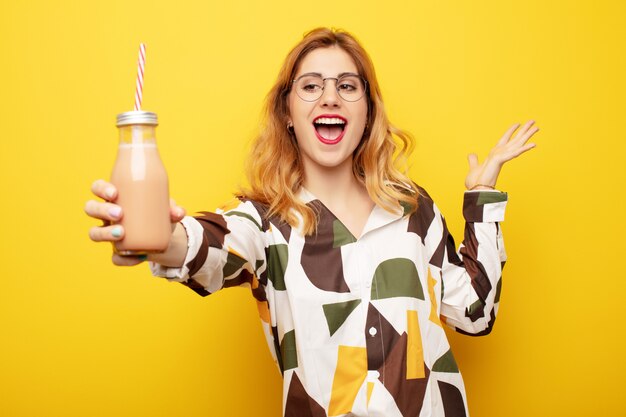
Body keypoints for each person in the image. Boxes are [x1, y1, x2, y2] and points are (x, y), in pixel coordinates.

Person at [85, 28, 539, 417]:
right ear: (287, 113)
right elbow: (207, 245)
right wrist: (156, 236)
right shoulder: (265, 222)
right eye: (310, 86)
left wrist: (482, 201)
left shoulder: (412, 210)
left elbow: (476, 313)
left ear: (367, 111)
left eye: (347, 85)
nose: (329, 96)